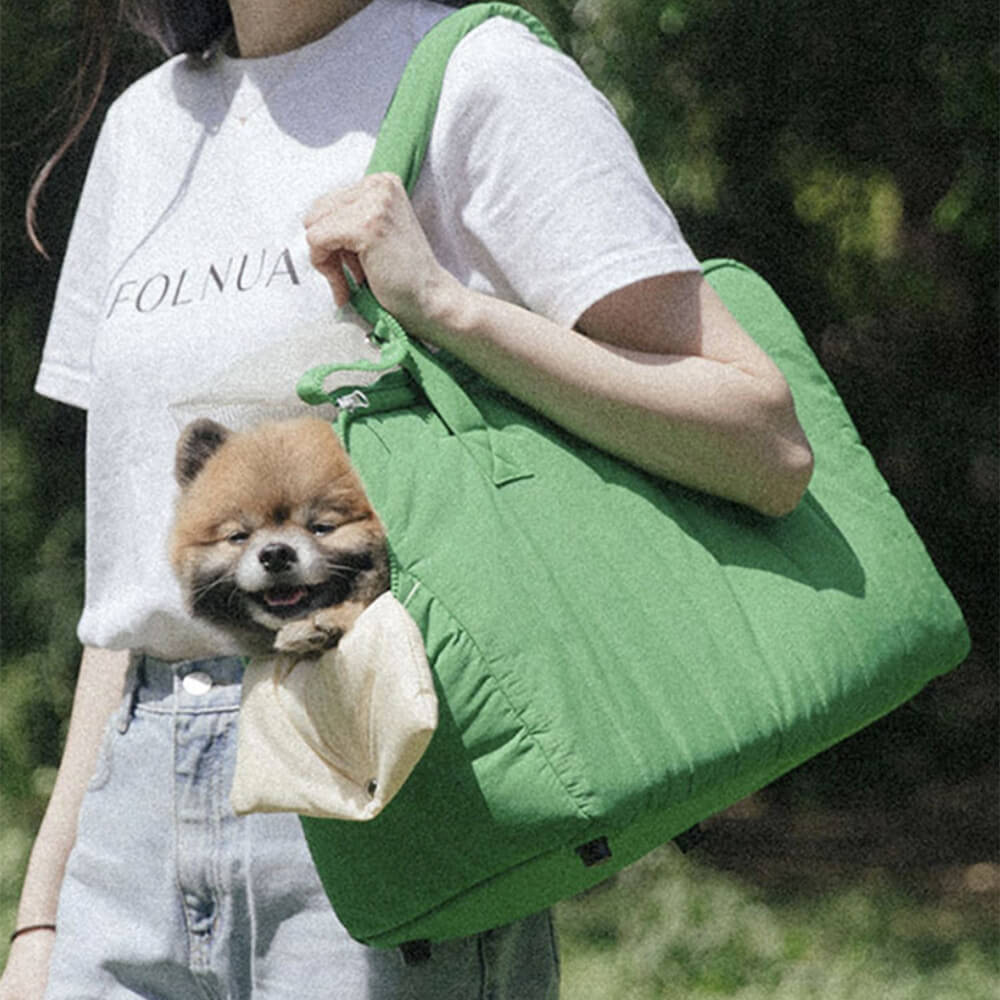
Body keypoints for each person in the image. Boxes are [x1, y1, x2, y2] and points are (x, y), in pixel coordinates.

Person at [2, 0, 814, 996]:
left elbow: (762, 437)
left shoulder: (480, 74)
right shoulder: (146, 128)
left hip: (385, 768)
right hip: (129, 829)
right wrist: (44, 910)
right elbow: (132, 572)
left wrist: (445, 308)